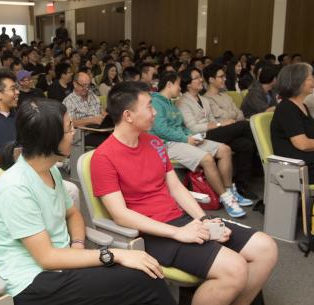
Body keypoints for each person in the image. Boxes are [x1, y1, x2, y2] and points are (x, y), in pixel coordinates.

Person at [91, 81, 278, 305]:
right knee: (235, 268)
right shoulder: (103, 157)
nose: (155, 112)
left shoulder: (154, 142)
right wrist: (176, 233)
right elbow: (120, 215)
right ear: (128, 115)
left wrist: (204, 219)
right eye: (149, 107)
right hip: (151, 233)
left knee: (266, 248)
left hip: (182, 220)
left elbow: (176, 187)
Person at [0, 98, 176, 305]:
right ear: (50, 140)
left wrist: (77, 246)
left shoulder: (49, 169)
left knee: (144, 275)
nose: (74, 134)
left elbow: (73, 214)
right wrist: (113, 254)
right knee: (144, 280)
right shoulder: (16, 187)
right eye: (69, 129)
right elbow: (47, 258)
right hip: (34, 282)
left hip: (62, 266)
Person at [150, 72, 238, 215]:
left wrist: (192, 136)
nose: (180, 88)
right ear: (169, 85)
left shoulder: (171, 103)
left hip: (182, 139)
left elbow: (181, 126)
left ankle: (229, 190)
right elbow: (161, 129)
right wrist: (186, 139)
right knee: (207, 159)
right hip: (168, 144)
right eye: (178, 84)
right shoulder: (156, 102)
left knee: (225, 150)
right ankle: (226, 198)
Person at [178, 67, 256, 209]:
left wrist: (218, 124)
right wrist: (220, 124)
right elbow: (192, 128)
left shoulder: (203, 99)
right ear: (188, 83)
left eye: (200, 76)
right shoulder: (183, 101)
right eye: (196, 78)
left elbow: (213, 119)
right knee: (244, 125)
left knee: (245, 144)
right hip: (199, 135)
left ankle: (237, 188)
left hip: (212, 131)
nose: (201, 80)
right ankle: (264, 160)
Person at [271, 63, 314, 181]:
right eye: (310, 78)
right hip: (297, 165)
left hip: (305, 160)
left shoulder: (302, 105)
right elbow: (302, 144)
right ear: (297, 82)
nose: (313, 81)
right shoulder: (286, 108)